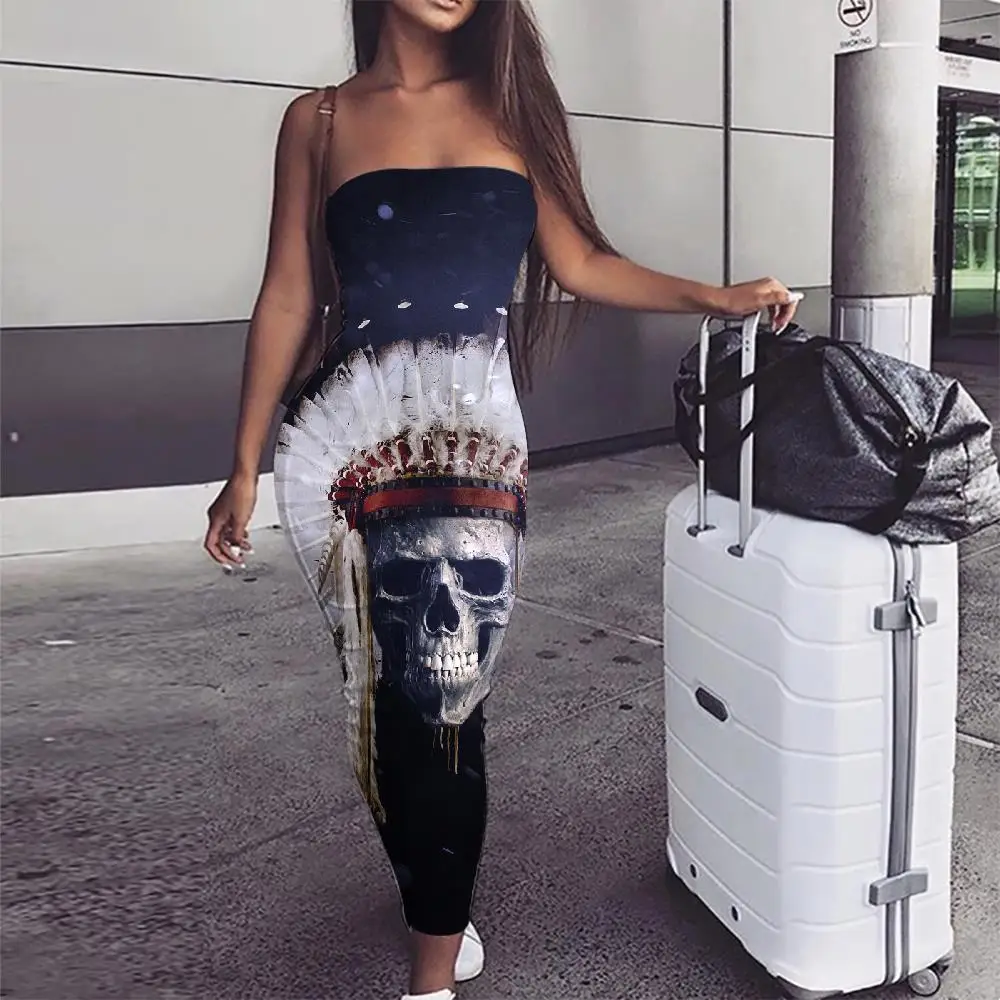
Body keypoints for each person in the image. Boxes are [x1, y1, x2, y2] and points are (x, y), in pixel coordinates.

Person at [204, 1, 799, 997]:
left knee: (446, 705)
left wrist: (716, 295)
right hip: (340, 454)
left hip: (479, 456)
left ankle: (431, 978)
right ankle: (434, 893)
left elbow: (581, 263)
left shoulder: (515, 109)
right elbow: (290, 294)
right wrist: (243, 463)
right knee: (383, 706)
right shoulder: (318, 120)